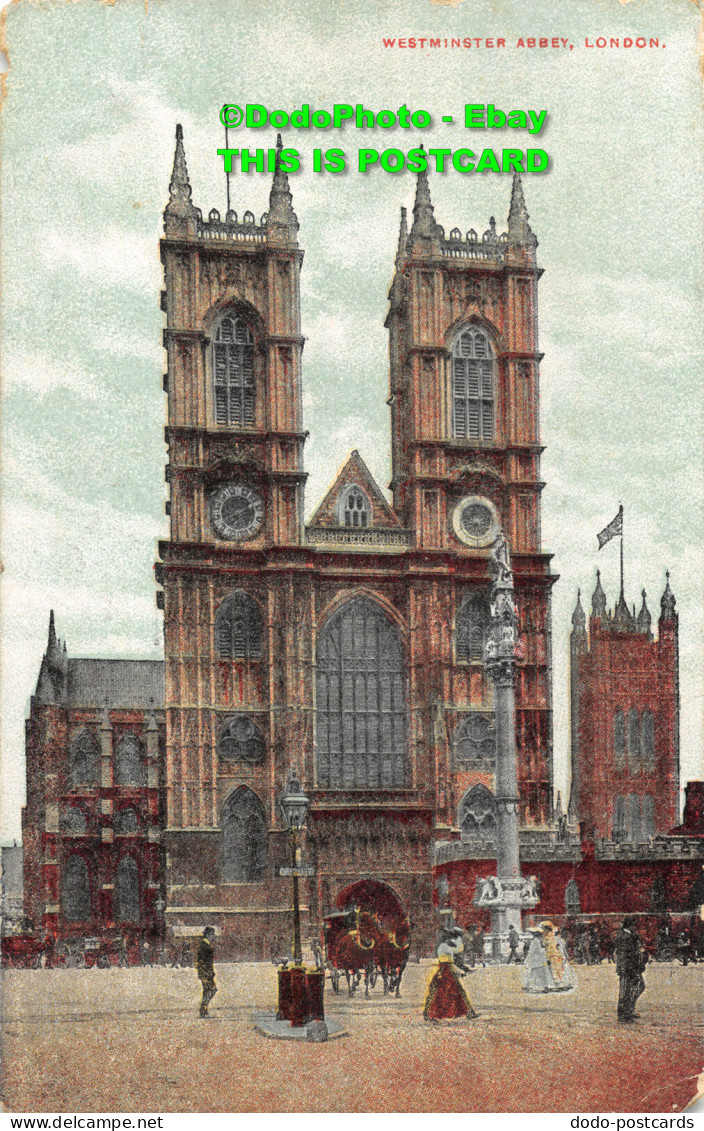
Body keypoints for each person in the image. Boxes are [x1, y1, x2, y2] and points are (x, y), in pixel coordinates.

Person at [423, 928, 478, 1022]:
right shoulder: (444, 947)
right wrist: (460, 971)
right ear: (446, 939)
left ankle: (429, 1013)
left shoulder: (443, 946)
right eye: (449, 938)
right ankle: (468, 1012)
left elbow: (455, 953)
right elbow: (451, 959)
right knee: (454, 993)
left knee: (438, 992)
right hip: (446, 972)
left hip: (445, 971)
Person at [615, 915, 647, 1023]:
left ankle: (628, 1011)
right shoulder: (624, 937)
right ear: (630, 925)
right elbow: (625, 954)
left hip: (632, 967)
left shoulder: (629, 935)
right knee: (626, 991)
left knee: (636, 988)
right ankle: (624, 1014)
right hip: (628, 968)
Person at [522, 927, 556, 993]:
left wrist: (528, 959)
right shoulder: (541, 940)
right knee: (542, 973)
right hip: (541, 959)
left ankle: (530, 986)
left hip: (536, 959)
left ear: (534, 935)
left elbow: (532, 951)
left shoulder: (535, 941)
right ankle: (544, 986)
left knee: (534, 973)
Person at [196, 927, 217, 1018]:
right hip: (206, 973)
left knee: (209, 990)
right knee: (211, 990)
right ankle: (203, 1010)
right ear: (208, 935)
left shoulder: (206, 945)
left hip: (207, 972)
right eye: (212, 934)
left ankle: (204, 1010)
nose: (213, 936)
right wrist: (203, 974)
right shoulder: (204, 946)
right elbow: (201, 961)